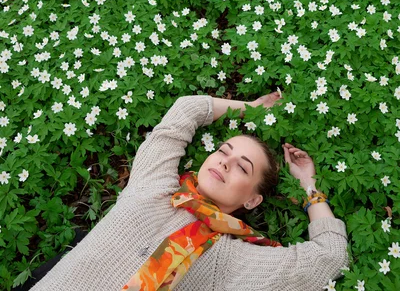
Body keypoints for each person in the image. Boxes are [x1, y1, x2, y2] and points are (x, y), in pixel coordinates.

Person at [26, 92, 349, 291]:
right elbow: (186, 110)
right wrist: (251, 108)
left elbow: (329, 256)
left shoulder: (228, 261)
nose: (225, 162)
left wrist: (309, 185)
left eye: (242, 167)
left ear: (252, 200)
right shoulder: (156, 184)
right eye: (223, 151)